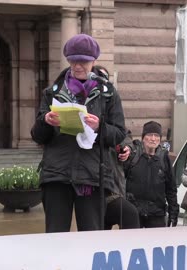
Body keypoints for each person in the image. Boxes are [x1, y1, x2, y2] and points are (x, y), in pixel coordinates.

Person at [31, 34, 126, 232]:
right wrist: (46, 121)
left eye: (83, 61)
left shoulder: (108, 94)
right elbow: (38, 136)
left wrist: (99, 127)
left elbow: (118, 134)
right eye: (73, 60)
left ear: (94, 61)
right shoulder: (52, 92)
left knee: (91, 237)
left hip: (92, 176)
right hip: (56, 174)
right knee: (55, 236)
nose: (77, 66)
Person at [124, 121, 179, 228]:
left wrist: (173, 212)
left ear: (160, 139)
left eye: (156, 135)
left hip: (157, 214)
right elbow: (121, 180)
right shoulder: (133, 155)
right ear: (143, 138)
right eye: (149, 135)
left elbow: (171, 189)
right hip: (133, 213)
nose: (153, 139)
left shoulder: (164, 158)